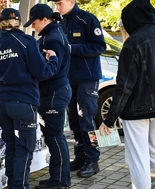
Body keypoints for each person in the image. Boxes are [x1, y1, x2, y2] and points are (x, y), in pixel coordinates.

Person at [0, 8, 61, 189]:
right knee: (23, 150)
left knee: (11, 148)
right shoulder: (27, 42)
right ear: (18, 23)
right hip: (23, 103)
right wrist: (53, 59)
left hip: (2, 103)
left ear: (0, 24)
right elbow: (42, 72)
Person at [99, 0, 155, 189]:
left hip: (136, 112)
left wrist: (109, 119)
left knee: (138, 159)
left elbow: (124, 86)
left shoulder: (132, 43)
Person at [48, 0, 106, 178]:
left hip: (87, 78)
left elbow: (99, 46)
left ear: (72, 1)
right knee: (73, 120)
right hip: (68, 78)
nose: (57, 7)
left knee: (86, 118)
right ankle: (80, 156)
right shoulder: (60, 23)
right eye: (55, 4)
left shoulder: (87, 19)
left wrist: (73, 48)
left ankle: (93, 159)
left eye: (60, 3)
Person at [23, 3, 71, 189]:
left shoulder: (52, 39)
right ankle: (58, 177)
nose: (33, 27)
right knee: (56, 138)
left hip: (53, 94)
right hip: (55, 92)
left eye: (34, 23)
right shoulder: (53, 35)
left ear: (45, 20)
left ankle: (59, 181)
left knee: (55, 138)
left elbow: (49, 71)